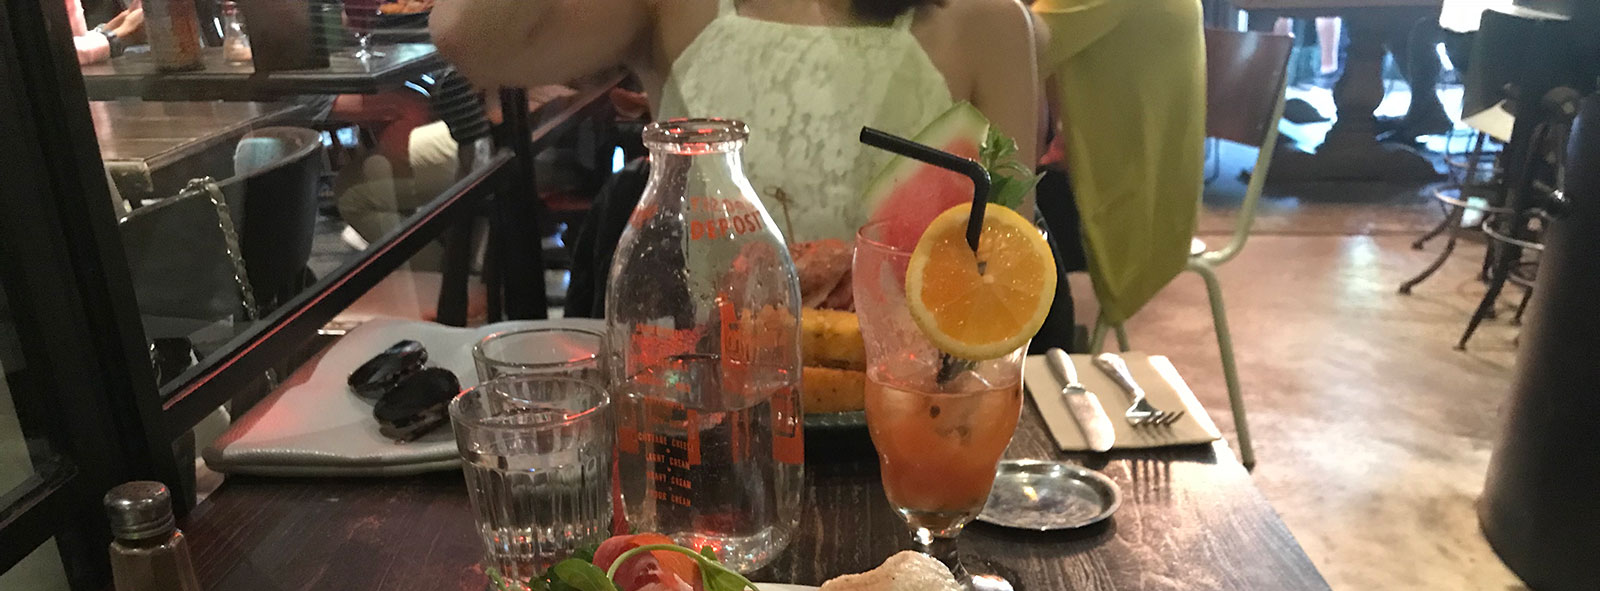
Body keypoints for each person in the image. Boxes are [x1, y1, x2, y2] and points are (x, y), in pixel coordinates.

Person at [429, 0, 1041, 244]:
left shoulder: (985, 19)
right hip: (712, 421)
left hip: (912, 425)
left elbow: (1007, 263)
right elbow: (467, 35)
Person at [1030, 0, 1204, 329]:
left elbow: (1010, 47)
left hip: (1124, 197)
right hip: (1142, 185)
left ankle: (1035, 362)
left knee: (981, 218)